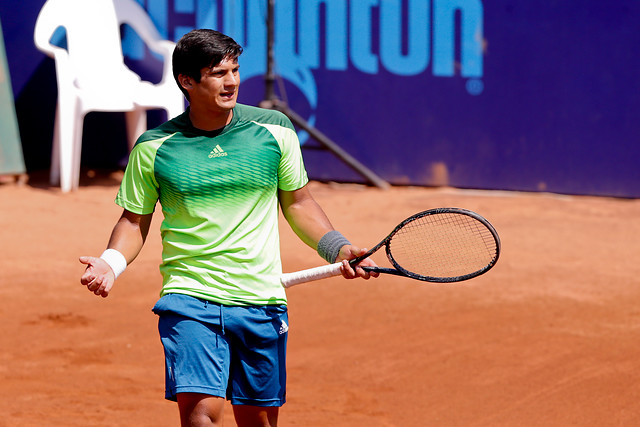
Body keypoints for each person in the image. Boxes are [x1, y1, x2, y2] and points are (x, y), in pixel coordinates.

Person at [79, 29, 377, 427]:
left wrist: (337, 248)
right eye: (219, 73)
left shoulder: (275, 130)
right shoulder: (155, 147)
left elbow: (299, 203)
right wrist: (110, 264)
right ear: (187, 81)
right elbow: (134, 220)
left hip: (260, 298)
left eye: (235, 69)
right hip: (190, 296)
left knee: (258, 421)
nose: (233, 81)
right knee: (202, 415)